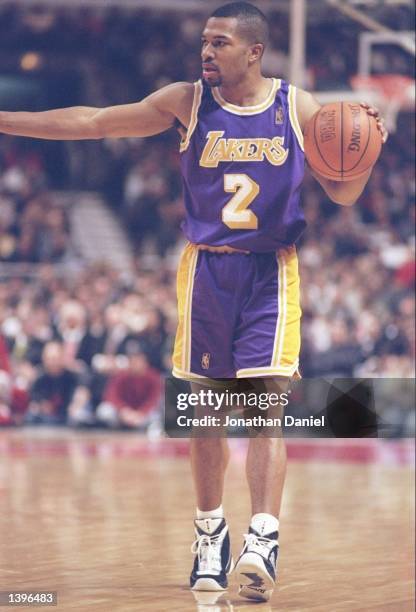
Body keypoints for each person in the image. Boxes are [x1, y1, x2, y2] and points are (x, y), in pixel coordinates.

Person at [0, 1, 388, 601]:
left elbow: (341, 191)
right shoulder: (187, 101)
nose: (206, 51)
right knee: (206, 411)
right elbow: (94, 120)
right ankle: (211, 533)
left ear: (254, 51)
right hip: (207, 269)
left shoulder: (298, 106)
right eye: (205, 42)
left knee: (265, 406)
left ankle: (263, 536)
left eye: (221, 43)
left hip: (269, 272)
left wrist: (366, 152)